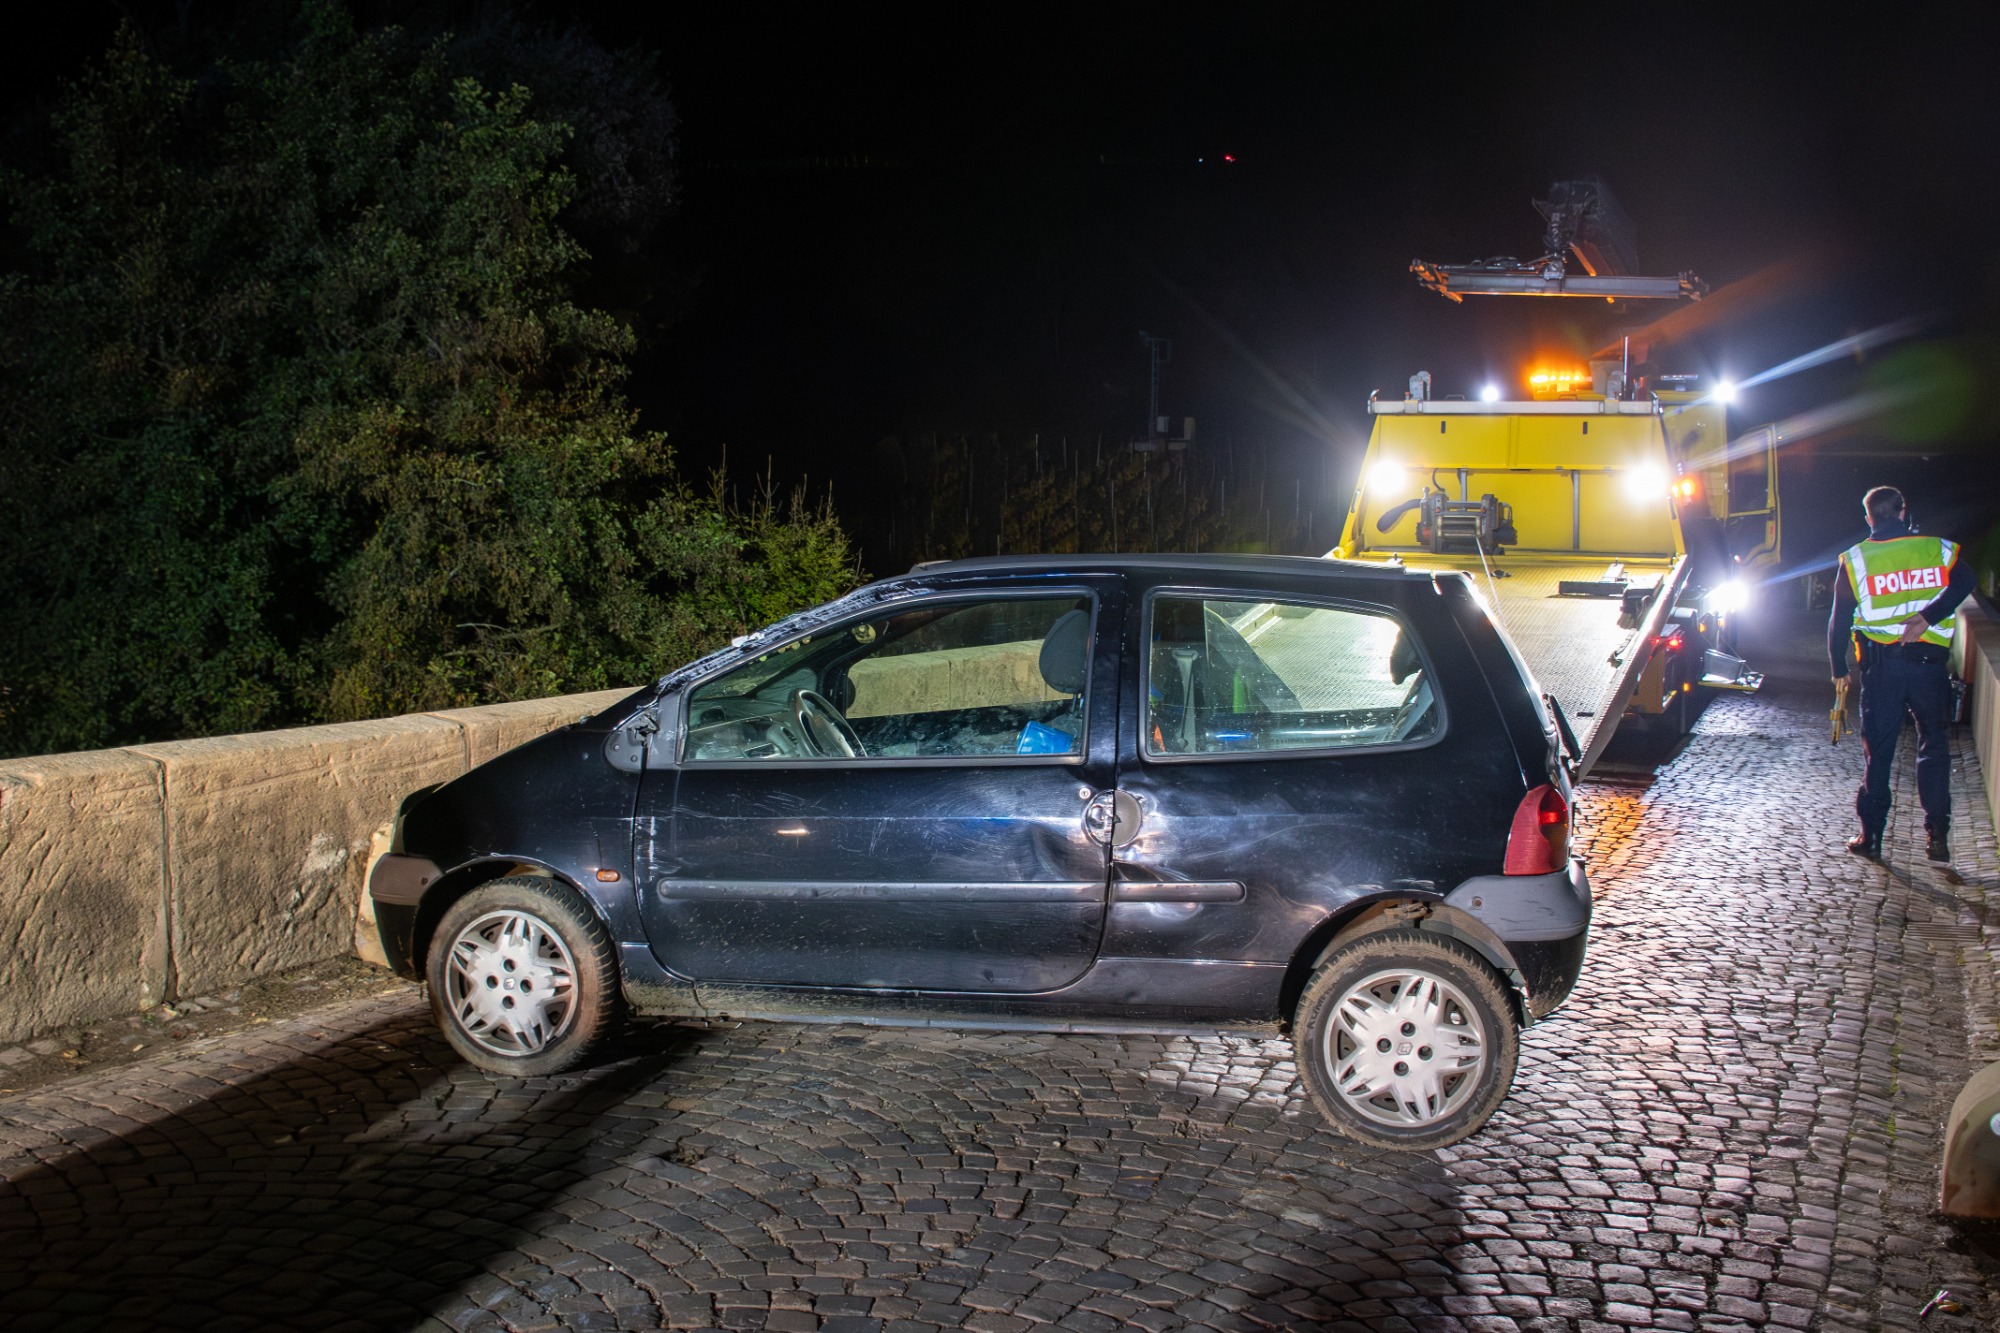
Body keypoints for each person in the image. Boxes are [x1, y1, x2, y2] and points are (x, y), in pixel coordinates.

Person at [1829, 485, 1974, 861]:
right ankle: (1937, 836)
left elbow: (1839, 619)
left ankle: (1872, 837)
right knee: (1934, 747)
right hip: (1930, 669)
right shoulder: (1937, 549)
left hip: (1883, 670)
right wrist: (1928, 616)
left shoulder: (1856, 560)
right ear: (1903, 512)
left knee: (1879, 754)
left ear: (1869, 517)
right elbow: (1966, 582)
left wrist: (1838, 666)